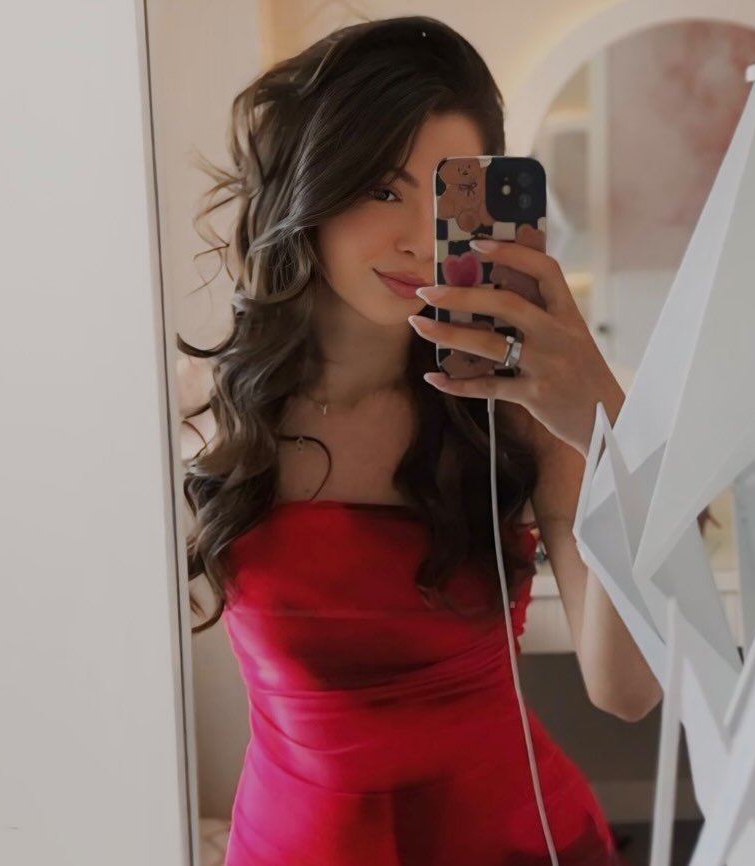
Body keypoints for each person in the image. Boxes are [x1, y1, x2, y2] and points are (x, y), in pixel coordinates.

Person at [177, 15, 661, 866]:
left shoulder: (518, 410)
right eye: (382, 190)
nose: (414, 239)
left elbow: (627, 692)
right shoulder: (203, 410)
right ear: (312, 184)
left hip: (513, 845)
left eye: (447, 200)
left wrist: (605, 422)